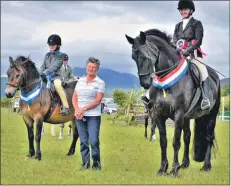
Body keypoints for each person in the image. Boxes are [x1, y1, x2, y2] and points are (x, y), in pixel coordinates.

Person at [141, 0, 210, 110]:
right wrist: (175, 50)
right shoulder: (178, 25)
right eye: (181, 10)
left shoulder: (197, 24)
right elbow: (174, 40)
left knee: (203, 70)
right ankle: (149, 94)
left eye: (185, 9)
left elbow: (198, 40)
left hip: (193, 54)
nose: (183, 11)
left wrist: (187, 51)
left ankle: (205, 98)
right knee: (160, 68)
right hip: (179, 55)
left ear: (191, 10)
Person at [72, 57, 105, 171]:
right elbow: (74, 97)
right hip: (79, 115)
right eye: (89, 67)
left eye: (94, 67)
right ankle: (85, 163)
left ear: (97, 69)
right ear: (86, 67)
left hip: (93, 116)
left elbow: (97, 101)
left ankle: (96, 164)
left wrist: (83, 109)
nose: (91, 69)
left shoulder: (100, 83)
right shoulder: (80, 81)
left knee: (94, 140)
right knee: (83, 140)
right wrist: (77, 110)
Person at [39, 34, 70, 115]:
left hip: (56, 77)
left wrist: (44, 73)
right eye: (50, 45)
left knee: (57, 85)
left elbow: (54, 67)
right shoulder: (47, 55)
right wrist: (39, 74)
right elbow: (43, 66)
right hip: (45, 76)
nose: (51, 46)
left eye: (53, 45)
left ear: (58, 45)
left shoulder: (61, 56)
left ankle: (66, 106)